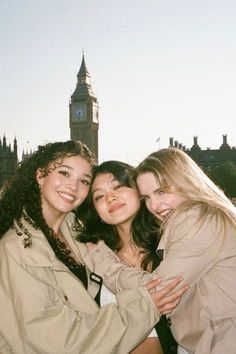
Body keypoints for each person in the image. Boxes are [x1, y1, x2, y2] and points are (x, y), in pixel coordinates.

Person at [0, 141, 187, 354]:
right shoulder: (15, 248)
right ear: (40, 176)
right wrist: (145, 305)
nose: (73, 186)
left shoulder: (77, 233)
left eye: (84, 181)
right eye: (64, 173)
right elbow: (56, 342)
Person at [84, 148, 236, 354]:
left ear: (187, 181)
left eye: (162, 191)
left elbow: (161, 291)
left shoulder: (198, 218)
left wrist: (103, 263)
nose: (154, 205)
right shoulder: (175, 229)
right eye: (147, 197)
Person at [79, 160, 179, 354]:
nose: (110, 198)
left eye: (118, 186)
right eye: (99, 196)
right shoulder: (92, 259)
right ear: (96, 210)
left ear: (138, 191)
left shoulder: (171, 244)